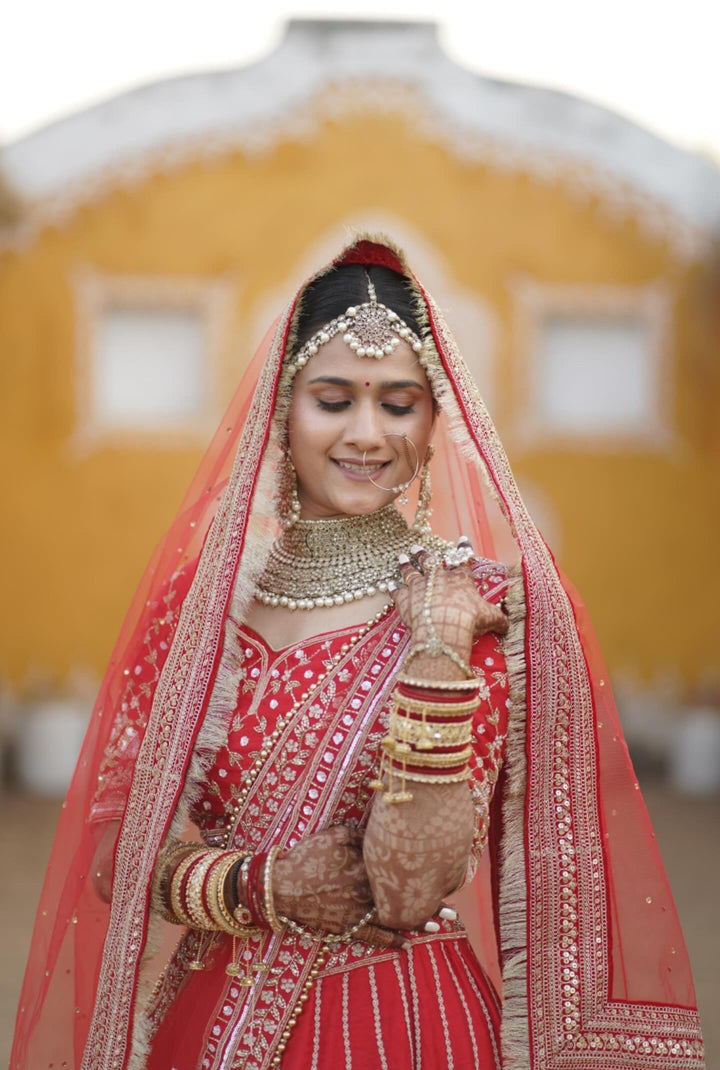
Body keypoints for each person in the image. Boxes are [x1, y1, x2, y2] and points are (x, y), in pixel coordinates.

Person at [12, 236, 704, 1070]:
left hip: (395, 1024)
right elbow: (116, 856)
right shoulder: (199, 608)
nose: (368, 434)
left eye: (399, 403)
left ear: (435, 418)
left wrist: (438, 652)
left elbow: (408, 891)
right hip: (206, 1019)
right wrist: (261, 887)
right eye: (334, 400)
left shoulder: (474, 609)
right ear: (281, 409)